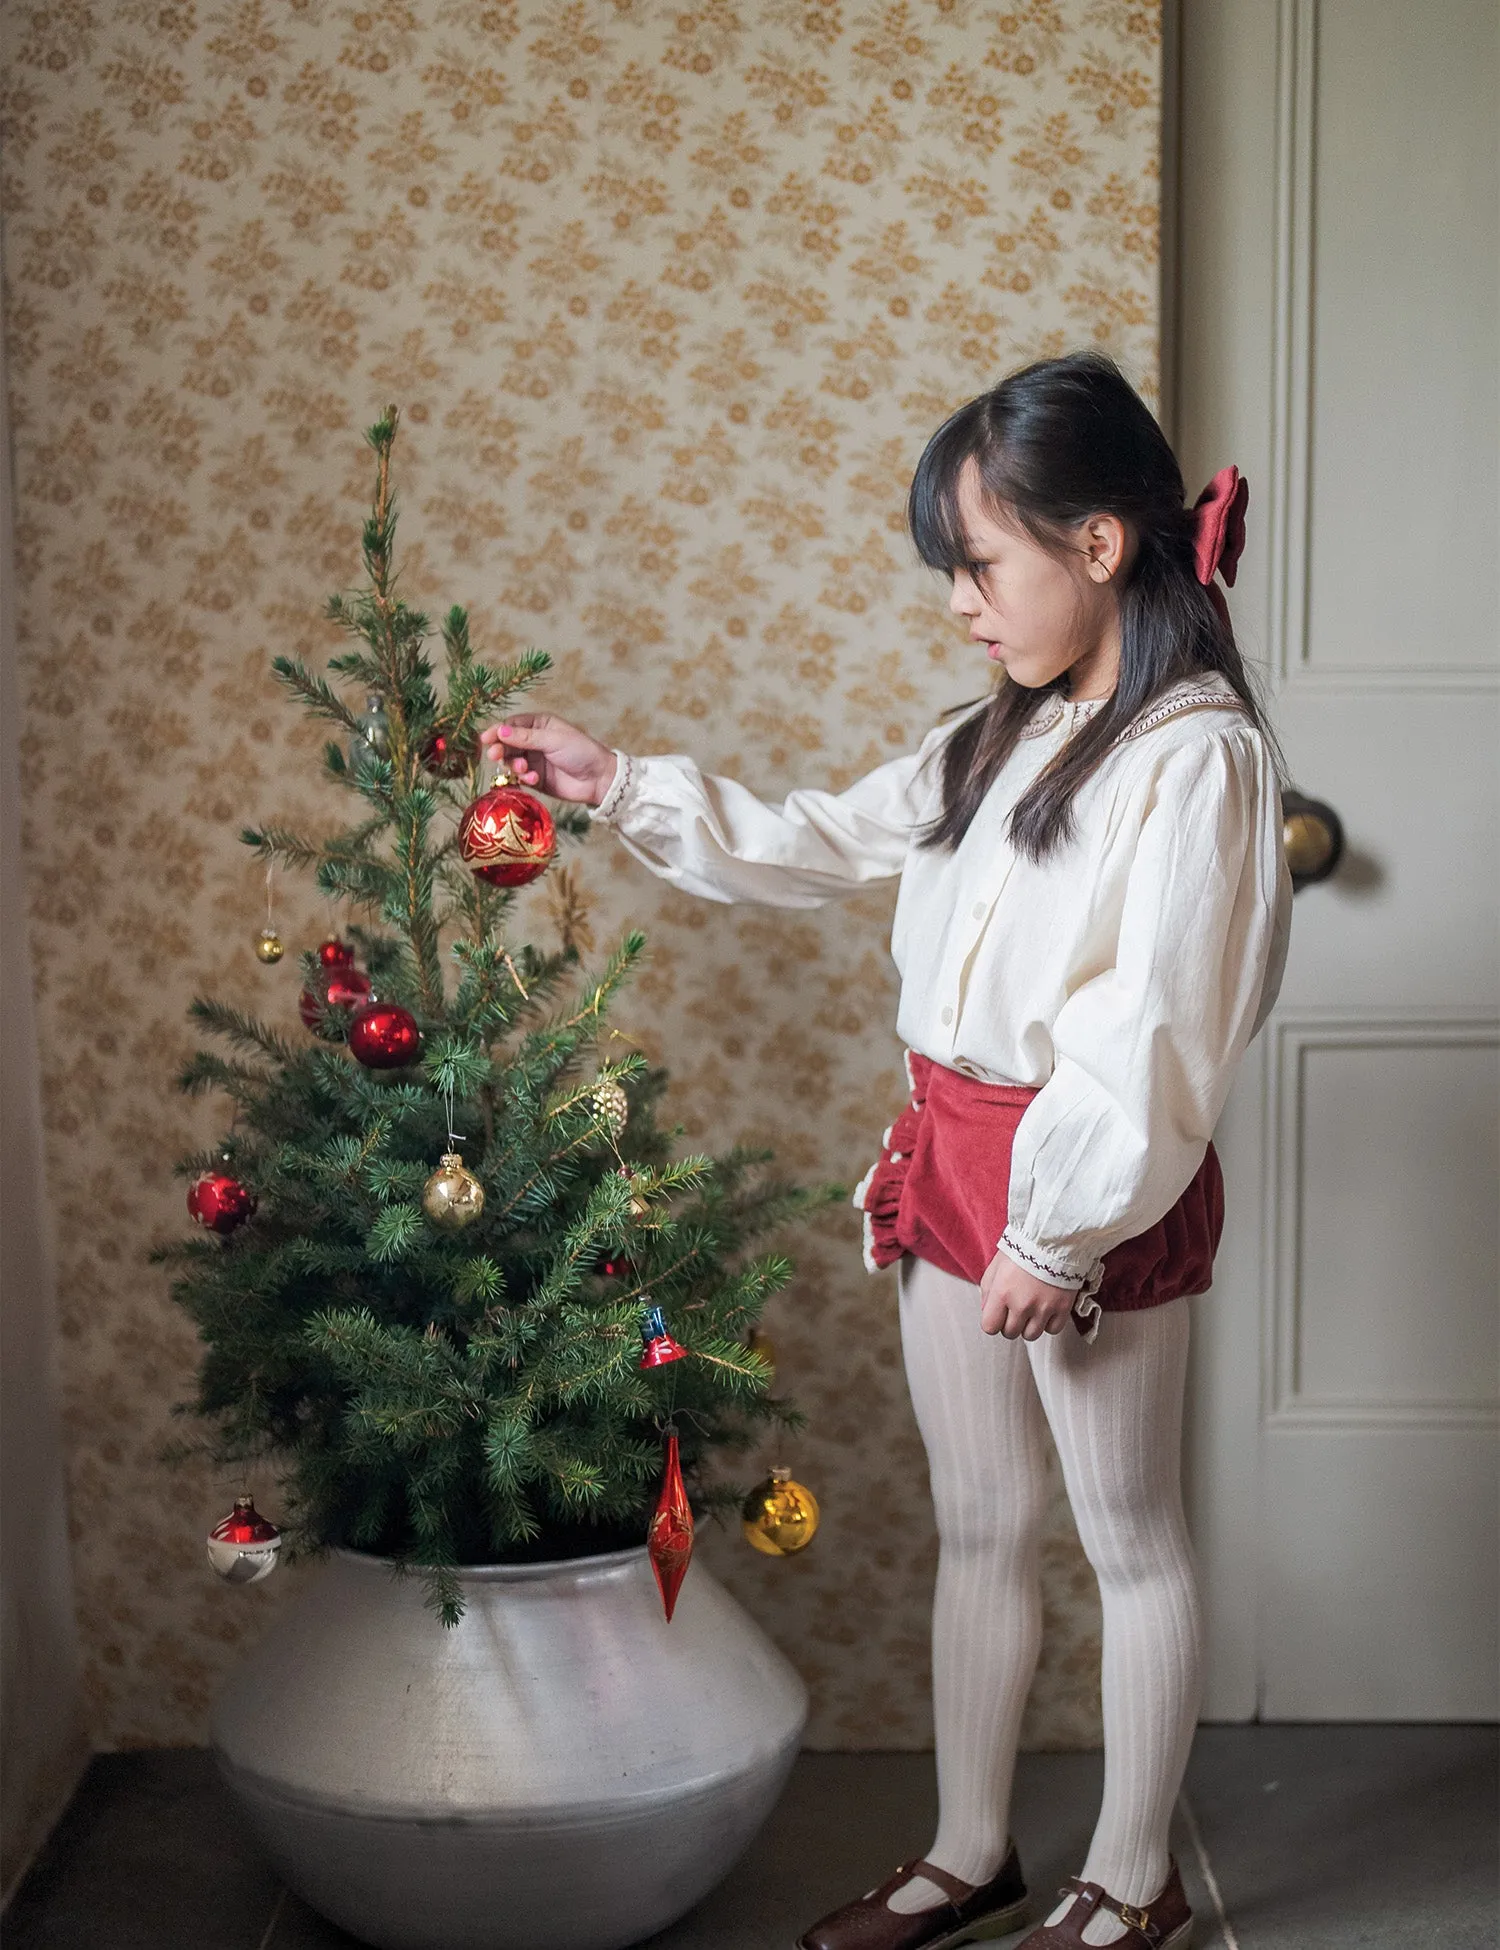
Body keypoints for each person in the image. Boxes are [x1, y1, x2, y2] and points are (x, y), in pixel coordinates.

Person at [480, 350, 1293, 1950]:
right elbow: (819, 837)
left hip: (1088, 1182)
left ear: (1101, 545)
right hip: (947, 1158)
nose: (961, 605)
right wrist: (616, 784)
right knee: (979, 1523)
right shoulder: (994, 735)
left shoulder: (1196, 757)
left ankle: (1132, 1887)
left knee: (1129, 1538)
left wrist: (1056, 1236)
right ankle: (967, 1851)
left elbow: (1155, 1042)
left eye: (979, 565)